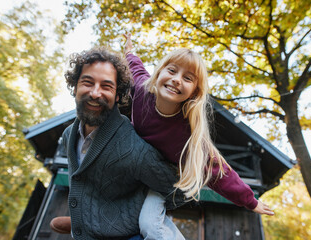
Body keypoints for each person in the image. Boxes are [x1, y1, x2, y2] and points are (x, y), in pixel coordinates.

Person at [122, 33, 274, 240]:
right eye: (172, 71)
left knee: (149, 225)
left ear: (194, 91)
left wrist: (250, 200)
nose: (176, 80)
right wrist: (129, 50)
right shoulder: (141, 90)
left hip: (160, 178)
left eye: (187, 78)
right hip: (132, 168)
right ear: (159, 73)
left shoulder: (187, 133)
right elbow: (135, 66)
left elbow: (218, 171)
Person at [50, 47, 185, 239]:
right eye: (87, 82)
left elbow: (178, 189)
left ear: (118, 95)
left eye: (106, 86)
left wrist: (142, 219)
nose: (95, 93)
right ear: (75, 87)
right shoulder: (67, 135)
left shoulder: (132, 146)